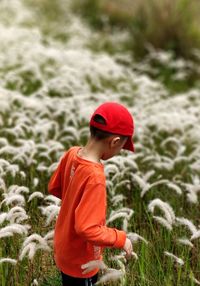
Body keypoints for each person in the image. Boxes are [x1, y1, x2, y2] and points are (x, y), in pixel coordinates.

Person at [48, 102, 135, 286]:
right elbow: (87, 228)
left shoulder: (72, 153)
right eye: (121, 148)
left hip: (64, 248)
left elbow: (55, 188)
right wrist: (120, 239)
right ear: (115, 142)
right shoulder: (95, 176)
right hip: (82, 262)